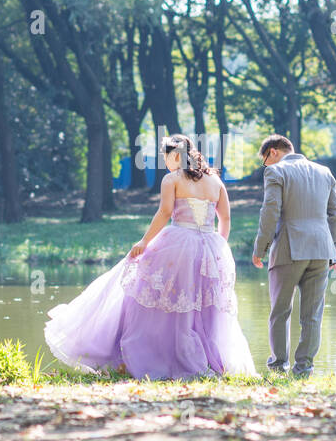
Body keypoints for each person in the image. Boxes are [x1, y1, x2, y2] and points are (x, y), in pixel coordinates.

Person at [44, 134, 255, 379]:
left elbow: (165, 212)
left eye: (165, 156)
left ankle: (154, 356)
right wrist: (218, 247)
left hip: (178, 243)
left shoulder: (172, 179)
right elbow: (225, 218)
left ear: (175, 155)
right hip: (210, 247)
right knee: (200, 305)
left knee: (152, 293)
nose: (165, 162)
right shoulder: (215, 181)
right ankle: (205, 361)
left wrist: (144, 241)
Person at [251, 134, 336, 378]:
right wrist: (334, 250)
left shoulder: (276, 172)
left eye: (265, 161)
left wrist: (260, 248)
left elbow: (270, 211)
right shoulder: (324, 172)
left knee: (280, 311)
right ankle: (304, 370)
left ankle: (279, 367)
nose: (265, 167)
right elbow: (335, 215)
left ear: (273, 152)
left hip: (289, 249)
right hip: (322, 250)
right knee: (312, 315)